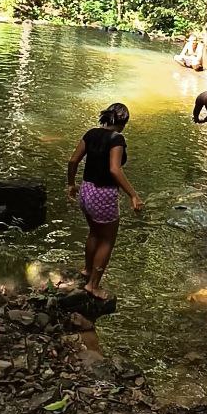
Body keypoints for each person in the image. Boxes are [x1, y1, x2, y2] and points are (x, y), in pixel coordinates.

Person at [67, 102, 143, 299]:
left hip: (86, 190)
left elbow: (73, 161)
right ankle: (93, 285)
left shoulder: (90, 133)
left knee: (94, 232)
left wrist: (71, 184)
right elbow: (114, 169)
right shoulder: (117, 139)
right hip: (103, 193)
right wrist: (133, 194)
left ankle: (86, 270)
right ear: (124, 122)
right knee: (107, 239)